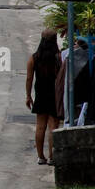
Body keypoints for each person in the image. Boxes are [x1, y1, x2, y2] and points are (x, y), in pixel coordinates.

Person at [26, 30, 62, 164]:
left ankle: (41, 157)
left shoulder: (34, 58)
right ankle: (52, 156)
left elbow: (29, 78)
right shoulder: (58, 57)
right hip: (55, 93)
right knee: (54, 125)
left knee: (40, 126)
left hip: (40, 93)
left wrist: (28, 96)